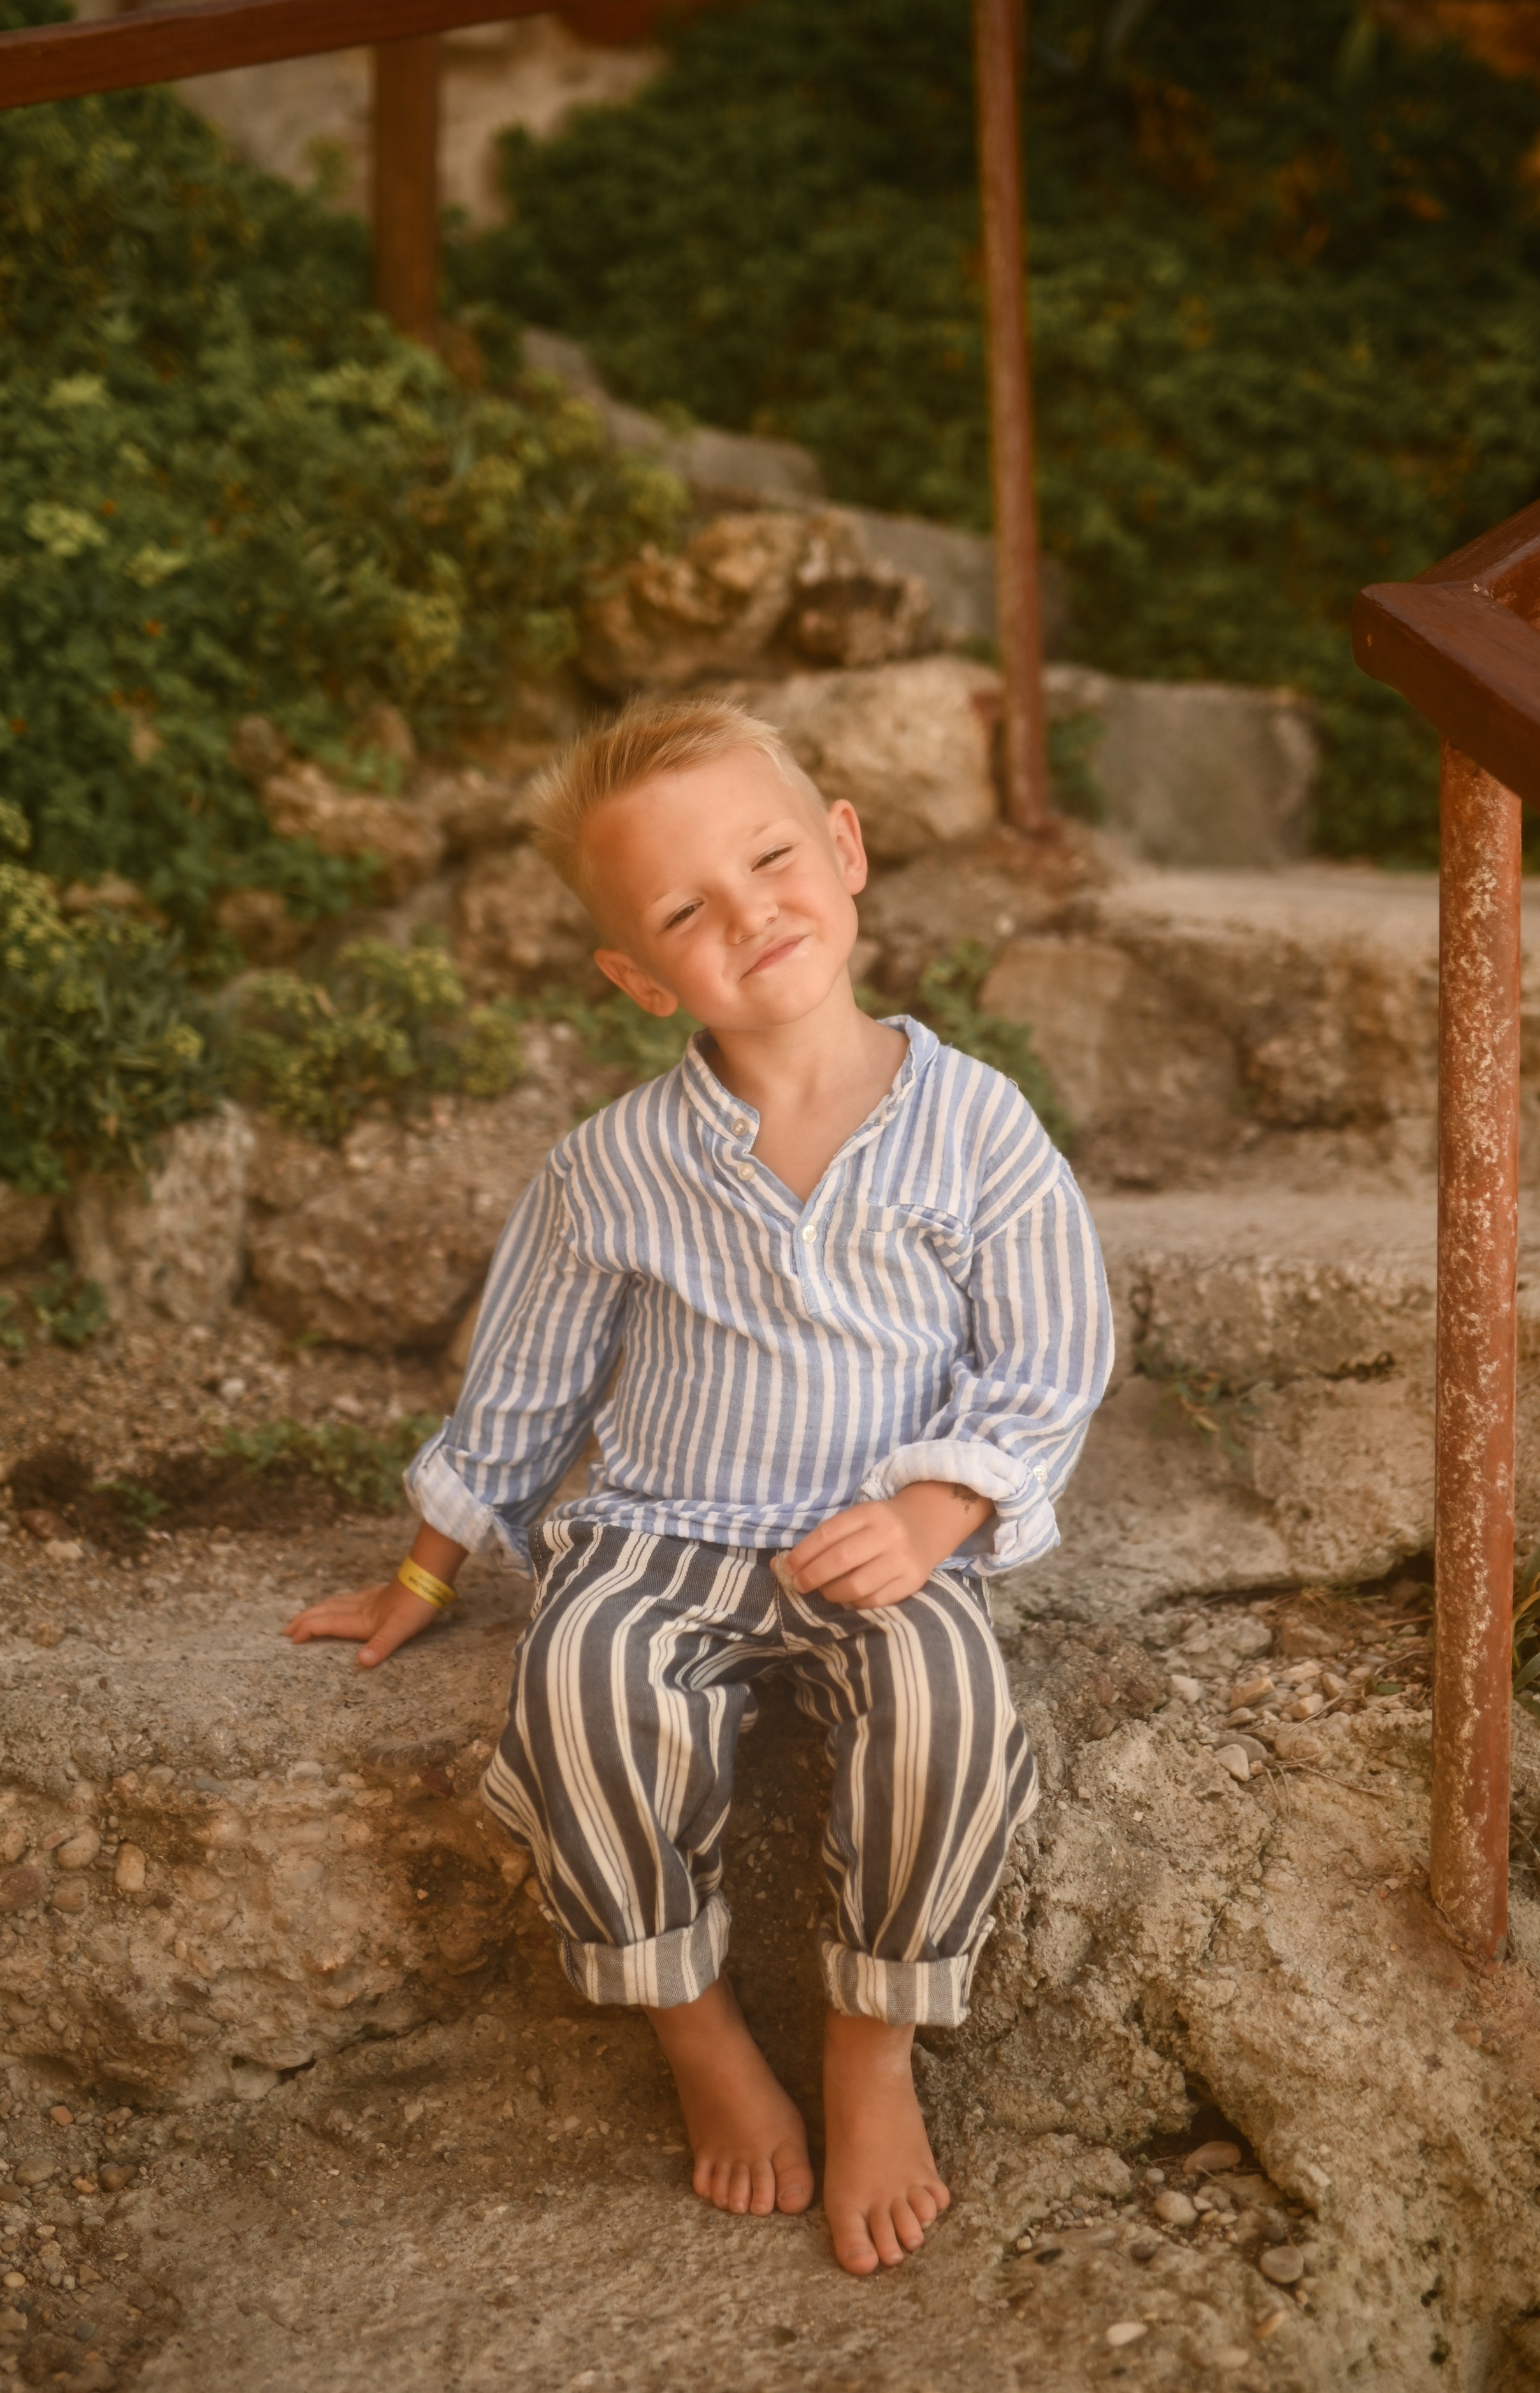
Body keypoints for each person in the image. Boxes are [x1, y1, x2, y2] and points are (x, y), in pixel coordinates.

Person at [286, 693, 1112, 2276]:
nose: (747, 914)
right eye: (683, 911)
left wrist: (940, 1511)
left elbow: (1045, 1353)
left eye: (770, 858)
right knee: (582, 1683)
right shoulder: (611, 1164)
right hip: (662, 1531)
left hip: (876, 1536)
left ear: (844, 849)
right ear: (635, 974)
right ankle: (695, 2025)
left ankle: (872, 2044)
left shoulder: (975, 1126)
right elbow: (526, 1381)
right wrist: (425, 1568)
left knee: (948, 1708)